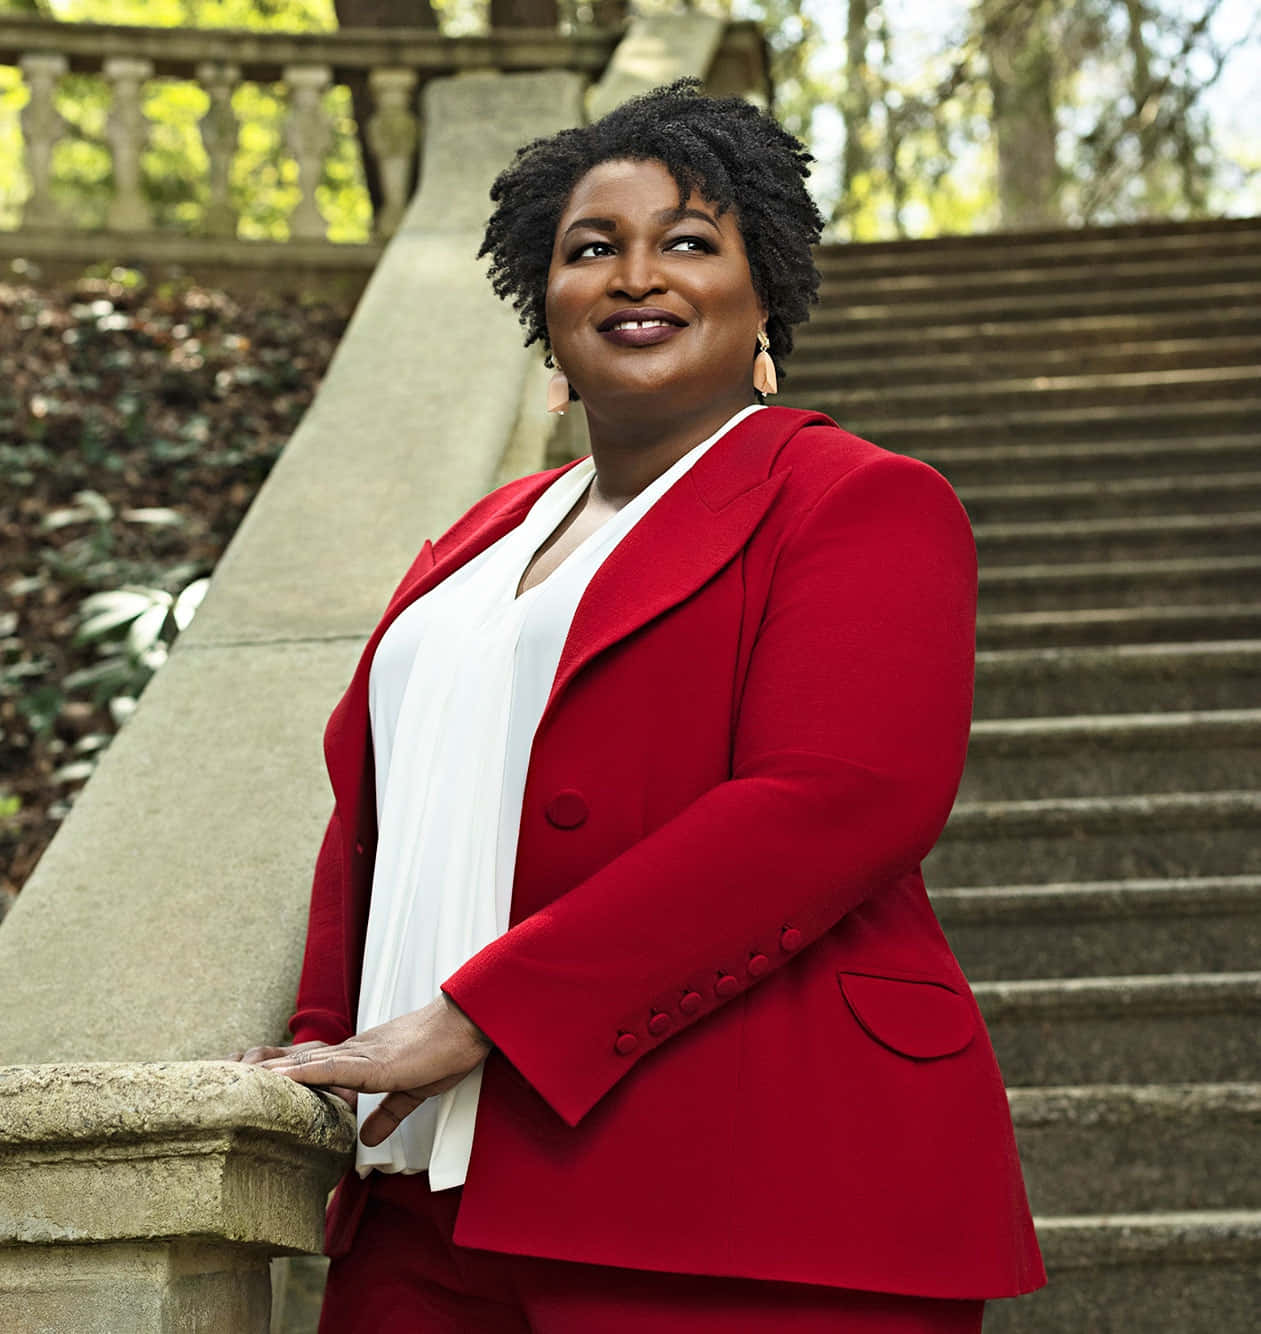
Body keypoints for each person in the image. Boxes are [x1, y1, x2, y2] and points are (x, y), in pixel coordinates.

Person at [237, 80, 1046, 1333]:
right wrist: (318, 1049)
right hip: (421, 1205)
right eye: (590, 248)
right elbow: (371, 813)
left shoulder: (855, 500)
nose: (634, 275)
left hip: (746, 1192)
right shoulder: (474, 540)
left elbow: (838, 803)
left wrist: (480, 1013)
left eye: (686, 241)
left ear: (762, 288)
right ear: (541, 304)